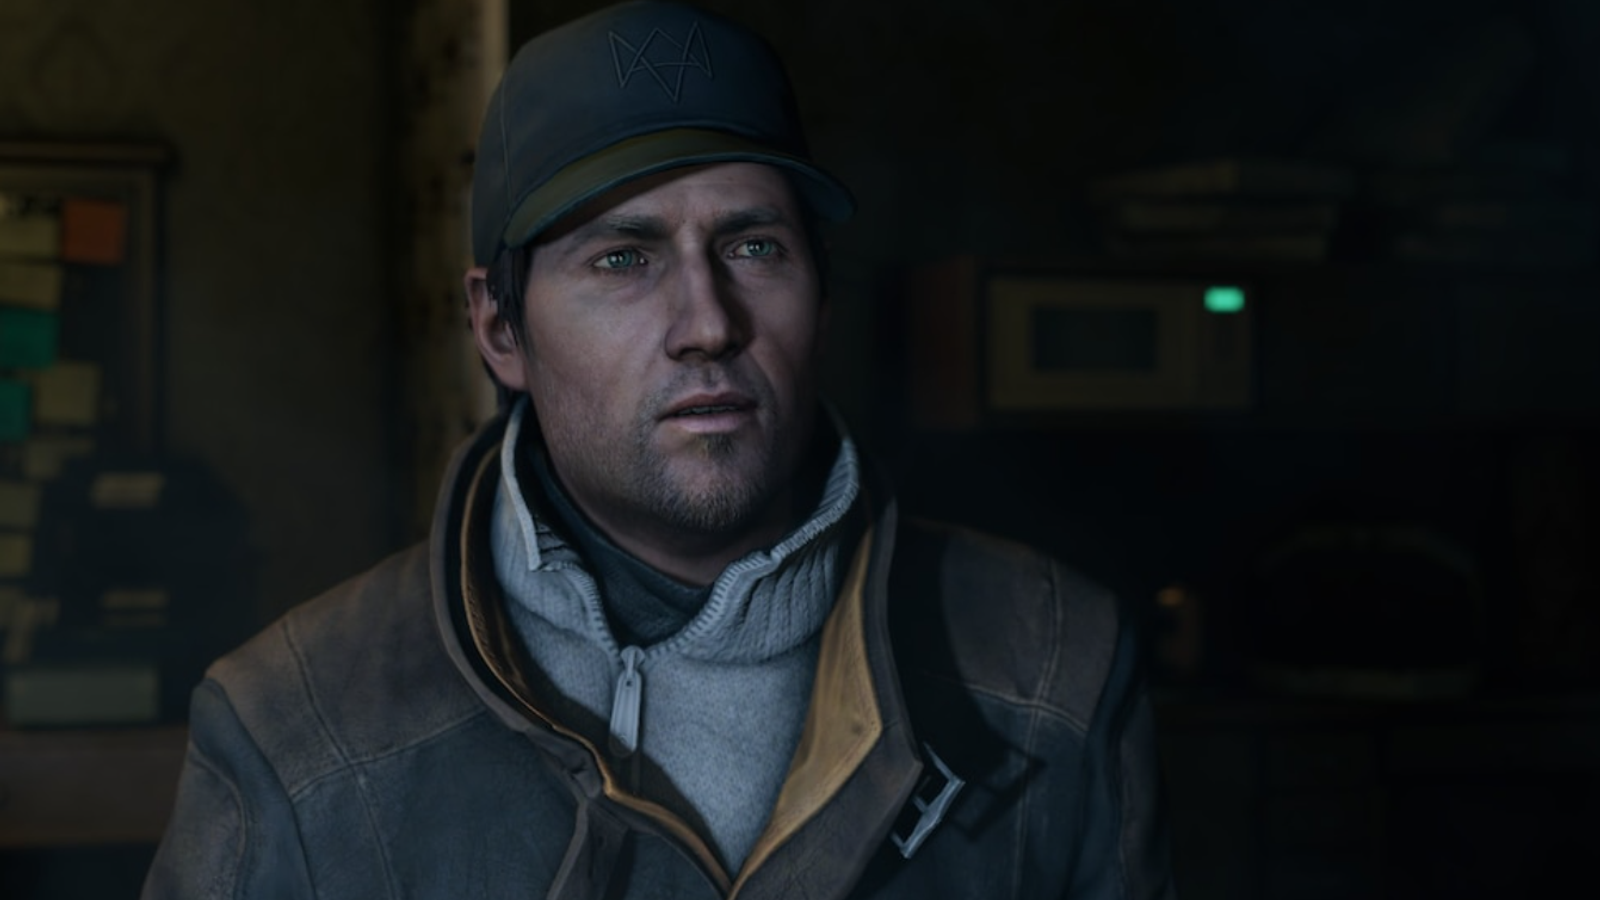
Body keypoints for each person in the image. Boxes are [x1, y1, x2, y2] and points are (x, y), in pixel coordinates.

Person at [143, 2, 1174, 897]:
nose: (708, 323)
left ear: (823, 296)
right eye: (622, 258)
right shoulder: (293, 728)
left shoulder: (1053, 663)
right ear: (500, 329)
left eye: (754, 247)